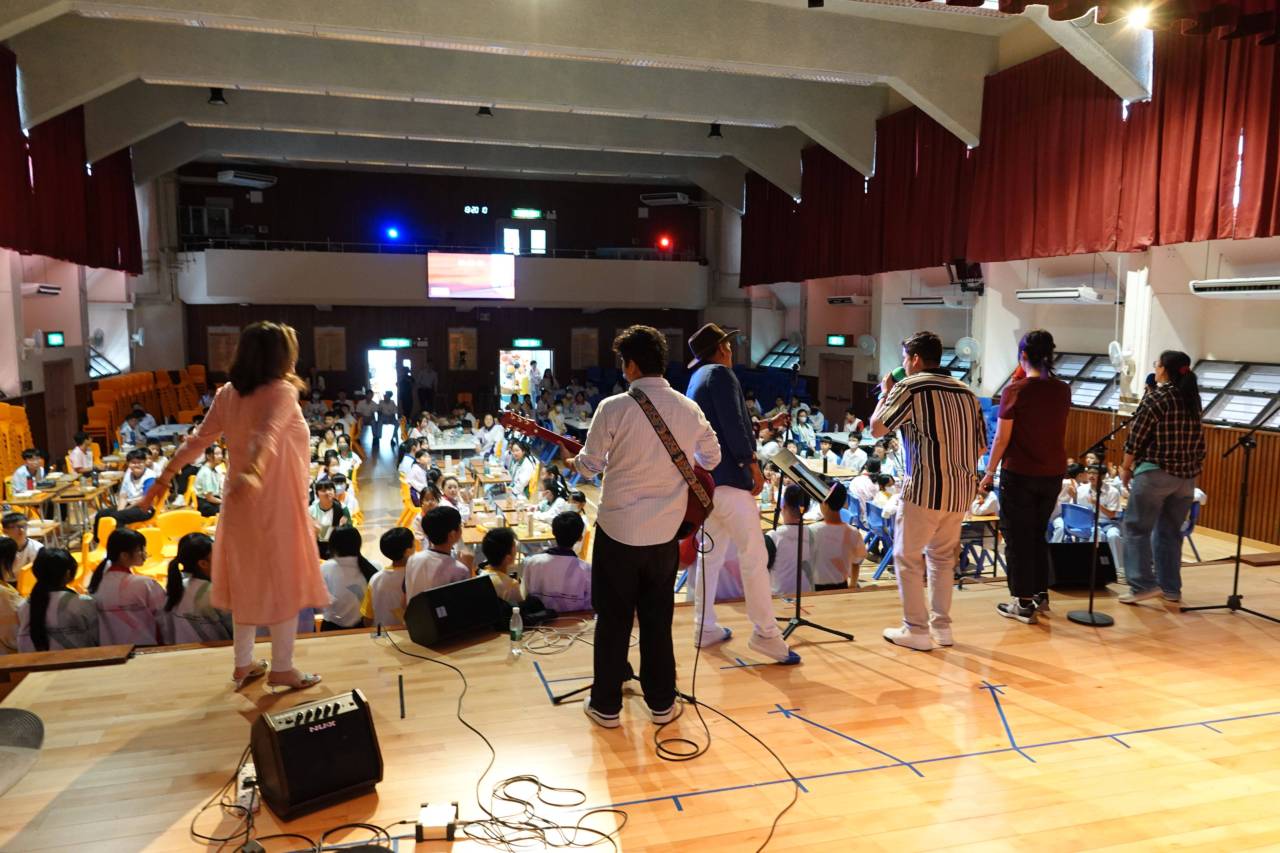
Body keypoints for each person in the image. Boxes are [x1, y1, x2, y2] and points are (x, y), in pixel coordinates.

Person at [144, 320, 328, 692]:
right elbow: (268, 435)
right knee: (283, 584)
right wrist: (256, 470)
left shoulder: (228, 393)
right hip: (275, 502)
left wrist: (166, 476)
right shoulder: (282, 391)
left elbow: (198, 441)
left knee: (247, 582)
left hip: (240, 502)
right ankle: (282, 667)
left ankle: (244, 663)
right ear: (280, 356)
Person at [567, 325, 721, 728]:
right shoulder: (688, 409)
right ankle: (662, 704)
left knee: (613, 620)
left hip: (618, 532)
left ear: (632, 365)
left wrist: (575, 462)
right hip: (665, 536)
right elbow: (712, 457)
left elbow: (590, 465)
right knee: (657, 620)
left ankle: (606, 707)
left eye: (624, 362)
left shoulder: (613, 407)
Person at [684, 322, 798, 664]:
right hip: (731, 482)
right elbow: (733, 425)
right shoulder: (722, 373)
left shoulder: (697, 378)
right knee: (755, 556)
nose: (732, 350)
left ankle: (704, 627)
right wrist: (752, 464)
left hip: (707, 486)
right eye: (729, 345)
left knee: (710, 558)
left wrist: (765, 425)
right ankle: (766, 633)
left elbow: (723, 424)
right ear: (722, 349)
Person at [871, 331, 986, 651]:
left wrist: (885, 393)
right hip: (960, 491)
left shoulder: (910, 386)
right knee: (942, 558)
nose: (904, 364)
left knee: (907, 558)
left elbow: (877, 428)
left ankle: (916, 630)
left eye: (905, 358)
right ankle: (942, 628)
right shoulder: (967, 392)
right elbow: (980, 448)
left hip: (924, 488)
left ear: (915, 359)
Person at [978, 330, 1071, 624]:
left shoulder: (1015, 391)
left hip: (1020, 473)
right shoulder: (1062, 390)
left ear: (1023, 355)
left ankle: (1023, 602)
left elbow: (1001, 438)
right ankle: (1041, 594)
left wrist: (989, 472)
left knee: (1017, 538)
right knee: (1037, 533)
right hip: (1052, 472)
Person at [1119, 350, 1206, 605]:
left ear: (1164, 370)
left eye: (1157, 364)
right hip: (1186, 479)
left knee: (1136, 528)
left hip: (1155, 473)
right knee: (1170, 532)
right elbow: (1200, 443)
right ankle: (1170, 588)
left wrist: (1126, 467)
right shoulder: (1192, 399)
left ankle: (1142, 585)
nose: (1155, 368)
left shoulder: (1158, 397)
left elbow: (1137, 437)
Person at [87, 528, 165, 646]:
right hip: (146, 648)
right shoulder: (144, 584)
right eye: (140, 550)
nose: (144, 554)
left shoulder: (97, 582)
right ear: (124, 555)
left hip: (110, 650)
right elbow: (163, 618)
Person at [17, 548, 98, 651]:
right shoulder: (82, 603)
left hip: (34, 660)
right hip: (80, 659)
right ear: (68, 573)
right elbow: (97, 637)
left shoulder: (24, 605)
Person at [161, 532, 233, 644]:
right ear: (203, 564)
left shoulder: (177, 586)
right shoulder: (215, 593)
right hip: (215, 652)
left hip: (183, 650)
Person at [521, 512, 592, 612]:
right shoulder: (587, 570)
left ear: (553, 532)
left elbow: (525, 595)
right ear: (580, 538)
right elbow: (589, 606)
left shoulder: (532, 562)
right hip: (574, 620)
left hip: (538, 619)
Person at [319, 526, 377, 631]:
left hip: (331, 628)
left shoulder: (325, 568)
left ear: (332, 545)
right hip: (363, 627)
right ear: (358, 543)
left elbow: (319, 602)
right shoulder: (373, 567)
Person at [92, 449, 157, 543]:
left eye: (140, 462)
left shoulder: (150, 476)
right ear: (128, 464)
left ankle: (121, 544)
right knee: (101, 514)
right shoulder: (128, 473)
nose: (136, 465)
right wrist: (120, 509)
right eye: (133, 463)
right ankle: (99, 542)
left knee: (118, 516)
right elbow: (123, 495)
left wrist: (126, 510)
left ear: (144, 463)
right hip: (130, 505)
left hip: (145, 508)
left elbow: (145, 499)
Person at [811, 483, 865, 590]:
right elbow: (856, 563)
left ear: (824, 503)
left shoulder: (811, 531)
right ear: (844, 503)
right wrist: (853, 585)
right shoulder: (854, 532)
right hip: (841, 587)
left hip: (813, 589)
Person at [406, 506, 469, 598]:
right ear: (452, 534)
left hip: (414, 607)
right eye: (460, 526)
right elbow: (467, 599)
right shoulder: (460, 570)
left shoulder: (412, 559)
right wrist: (468, 566)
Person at [767, 485, 817, 595]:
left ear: (783, 506)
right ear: (807, 509)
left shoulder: (773, 536)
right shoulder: (813, 534)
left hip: (778, 598)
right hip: (807, 596)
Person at [363, 527, 414, 628]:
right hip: (410, 632)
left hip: (382, 632)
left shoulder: (375, 579)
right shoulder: (415, 574)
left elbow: (367, 617)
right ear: (408, 551)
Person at [478, 527, 523, 605]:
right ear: (508, 558)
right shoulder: (511, 585)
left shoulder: (480, 576)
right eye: (514, 546)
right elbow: (520, 607)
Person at [310, 479, 350, 559]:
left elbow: (349, 531)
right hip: (317, 547)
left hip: (338, 546)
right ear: (317, 494)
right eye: (323, 490)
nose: (327, 492)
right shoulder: (311, 510)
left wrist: (340, 528)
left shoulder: (342, 508)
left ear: (334, 492)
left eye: (329, 489)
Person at [0, 537, 21, 652]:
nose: (18, 556)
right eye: (15, 553)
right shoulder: (3, 593)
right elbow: (11, 634)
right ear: (4, 560)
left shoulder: (4, 587)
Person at [194, 446, 225, 517]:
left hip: (213, 499)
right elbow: (209, 498)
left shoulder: (213, 469)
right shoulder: (206, 472)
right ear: (208, 456)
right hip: (206, 504)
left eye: (221, 453)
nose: (220, 456)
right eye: (217, 454)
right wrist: (224, 502)